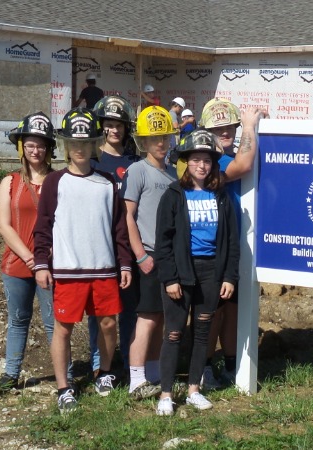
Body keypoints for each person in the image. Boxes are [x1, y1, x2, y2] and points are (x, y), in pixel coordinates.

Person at [33, 108, 133, 413]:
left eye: (85, 142)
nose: (79, 148)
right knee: (63, 329)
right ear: (65, 145)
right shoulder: (54, 181)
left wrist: (125, 262)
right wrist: (40, 263)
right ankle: (64, 387)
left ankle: (104, 373)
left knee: (107, 324)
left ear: (94, 145)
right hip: (67, 270)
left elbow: (119, 227)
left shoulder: (107, 182)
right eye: (73, 143)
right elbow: (43, 226)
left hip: (104, 269)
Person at [154, 129, 240, 415]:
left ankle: (193, 389)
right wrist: (169, 278)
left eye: (207, 160)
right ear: (186, 162)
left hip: (211, 272)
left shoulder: (221, 196)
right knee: (175, 333)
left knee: (202, 333)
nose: (202, 165)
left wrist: (229, 276)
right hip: (182, 271)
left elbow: (231, 240)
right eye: (195, 160)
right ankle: (166, 394)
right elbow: (163, 241)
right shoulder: (174, 195)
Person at [198, 98, 268, 390]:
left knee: (232, 309)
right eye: (217, 128)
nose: (224, 132)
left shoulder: (227, 154)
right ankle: (202, 367)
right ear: (206, 131)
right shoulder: (209, 163)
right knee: (211, 311)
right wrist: (251, 127)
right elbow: (244, 163)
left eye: (230, 126)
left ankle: (229, 363)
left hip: (238, 247)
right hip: (213, 250)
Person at [0, 112, 57, 389]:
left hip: (53, 263)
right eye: (31, 144)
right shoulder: (9, 182)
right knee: (18, 319)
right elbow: (4, 225)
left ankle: (64, 374)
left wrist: (48, 255)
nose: (36, 150)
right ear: (21, 147)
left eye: (41, 145)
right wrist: (32, 258)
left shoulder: (59, 181)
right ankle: (11, 374)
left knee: (54, 322)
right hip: (18, 263)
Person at [123, 106, 178, 399]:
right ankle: (136, 378)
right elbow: (127, 215)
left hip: (167, 257)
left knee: (160, 317)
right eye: (153, 137)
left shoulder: (172, 173)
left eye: (164, 136)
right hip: (148, 254)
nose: (160, 142)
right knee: (146, 318)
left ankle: (154, 374)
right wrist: (140, 256)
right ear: (142, 142)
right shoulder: (137, 171)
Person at [86, 95, 141, 379]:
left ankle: (130, 360)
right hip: (100, 246)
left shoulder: (136, 161)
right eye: (109, 124)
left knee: (130, 309)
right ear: (101, 126)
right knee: (99, 310)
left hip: (129, 247)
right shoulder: (92, 161)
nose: (115, 130)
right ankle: (98, 362)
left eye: (119, 124)